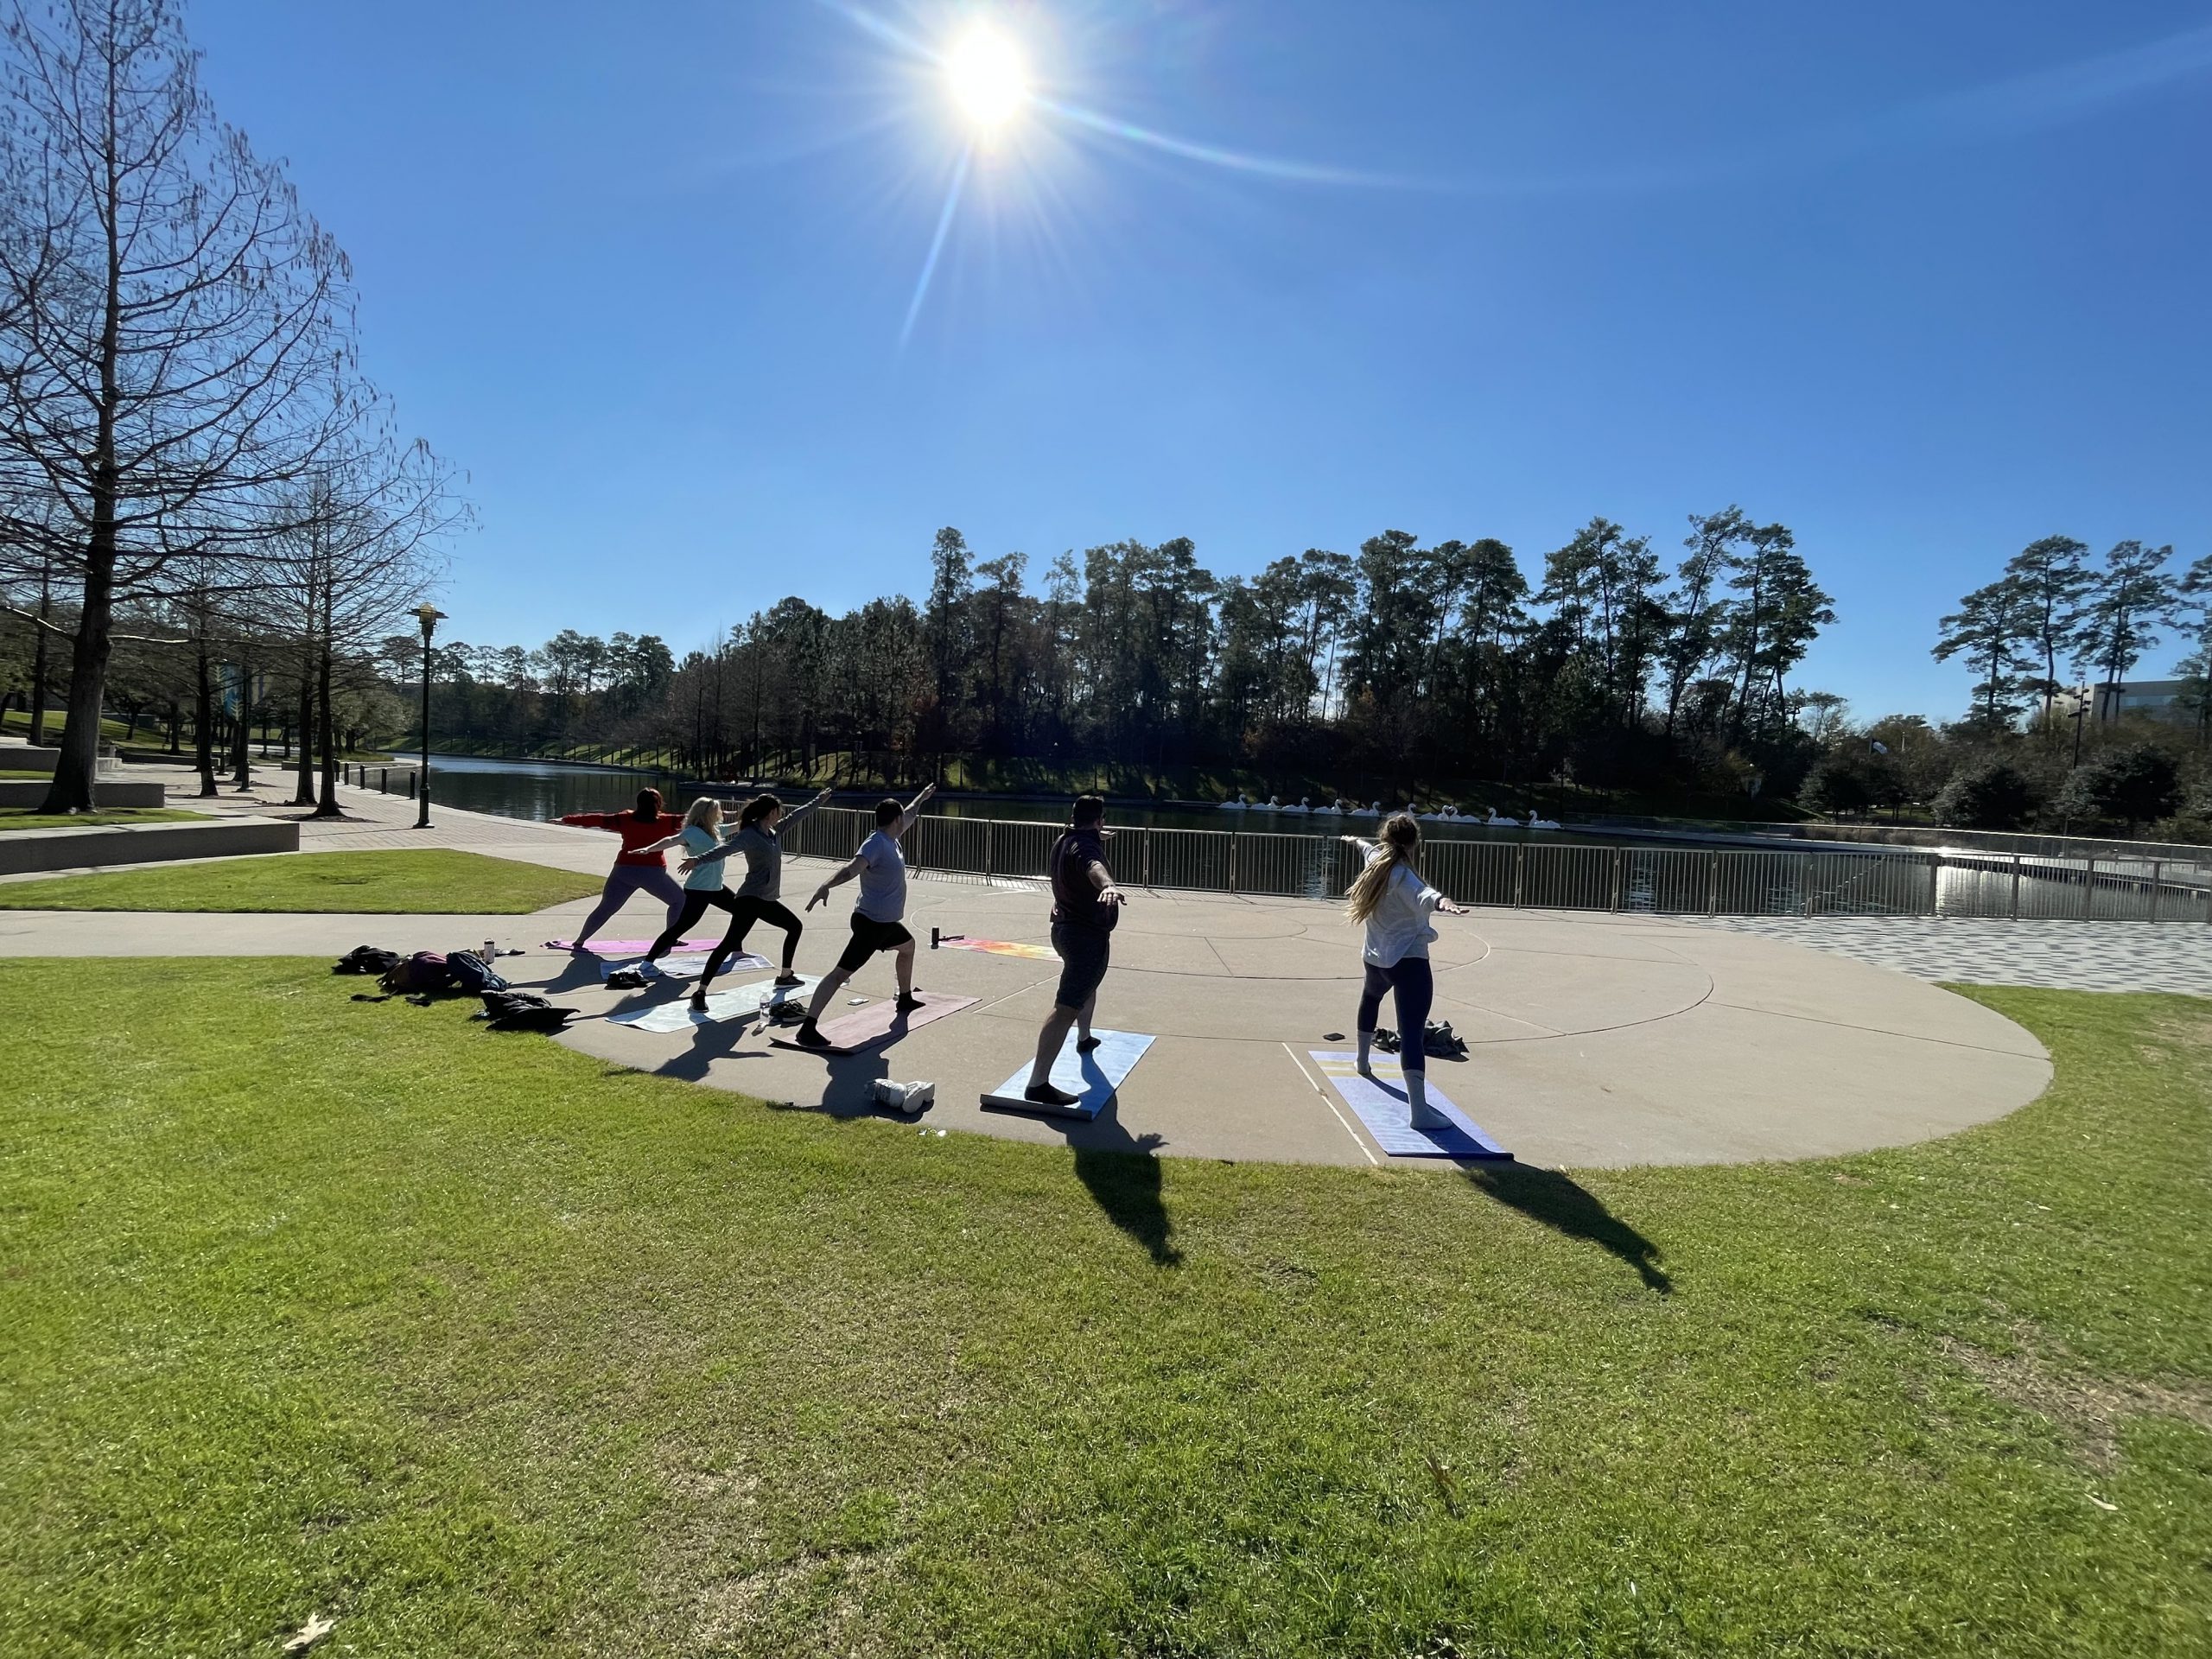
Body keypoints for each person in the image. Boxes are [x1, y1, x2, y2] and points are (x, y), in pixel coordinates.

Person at [1342, 814, 1467, 1129]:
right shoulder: (1405, 876)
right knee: (1411, 1032)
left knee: (1370, 999)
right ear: (1414, 843)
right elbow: (1427, 896)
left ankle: (1362, 1062)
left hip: (1375, 959)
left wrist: (1354, 840)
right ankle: (1419, 1115)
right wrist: (1445, 902)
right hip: (1408, 963)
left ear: (1386, 839)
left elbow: (1366, 848)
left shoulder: (1376, 863)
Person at [790, 783, 936, 1047]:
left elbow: (912, 811)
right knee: (839, 974)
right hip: (871, 924)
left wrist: (922, 798)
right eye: (902, 816)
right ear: (896, 820)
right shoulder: (876, 843)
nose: (906, 818)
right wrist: (826, 885)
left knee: (909, 946)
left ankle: (904, 998)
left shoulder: (893, 837)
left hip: (886, 923)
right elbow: (851, 869)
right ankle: (807, 1028)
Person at [670, 785, 834, 1007]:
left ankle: (785, 976)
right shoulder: (750, 834)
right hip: (750, 899)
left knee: (795, 926)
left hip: (766, 899)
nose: (782, 814)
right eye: (779, 811)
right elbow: (723, 849)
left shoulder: (774, 832)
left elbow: (798, 815)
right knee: (728, 943)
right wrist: (697, 860)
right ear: (771, 812)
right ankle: (700, 992)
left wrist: (817, 801)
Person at [1021, 794, 1126, 1107]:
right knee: (1066, 1006)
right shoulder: (1085, 847)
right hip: (1084, 937)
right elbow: (1092, 865)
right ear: (1100, 819)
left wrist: (1094, 836)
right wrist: (1107, 884)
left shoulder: (1065, 840)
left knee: (1086, 986)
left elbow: (1082, 851)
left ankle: (1084, 1038)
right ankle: (1038, 1084)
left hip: (1064, 930)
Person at [559, 787, 686, 949]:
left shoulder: (625, 818)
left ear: (638, 803)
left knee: (605, 908)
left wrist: (566, 820)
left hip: (623, 871)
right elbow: (701, 817)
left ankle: (580, 940)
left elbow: (597, 819)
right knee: (679, 900)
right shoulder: (668, 821)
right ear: (659, 803)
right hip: (653, 873)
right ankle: (669, 939)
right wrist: (723, 815)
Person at [635, 797, 745, 976]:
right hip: (699, 889)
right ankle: (647, 962)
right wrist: (649, 849)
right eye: (716, 811)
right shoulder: (692, 832)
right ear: (706, 814)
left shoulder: (715, 831)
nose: (719, 814)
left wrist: (758, 816)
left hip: (716, 887)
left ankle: (736, 950)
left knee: (741, 911)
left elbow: (738, 826)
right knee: (682, 926)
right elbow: (671, 840)